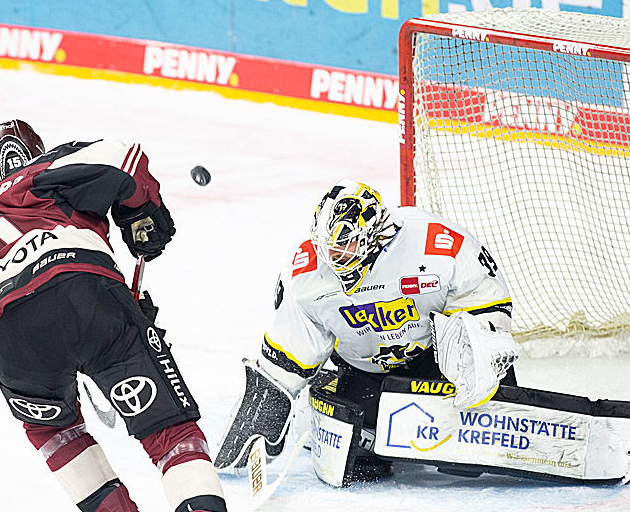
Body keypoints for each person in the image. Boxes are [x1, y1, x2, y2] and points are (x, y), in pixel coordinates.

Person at [0, 119, 271, 512]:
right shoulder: (43, 172)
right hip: (86, 298)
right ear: (34, 151)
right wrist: (142, 214)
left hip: (11, 340)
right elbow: (122, 156)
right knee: (170, 432)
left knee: (53, 430)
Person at [217, 179, 518, 483]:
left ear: (373, 235)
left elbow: (487, 303)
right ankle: (331, 389)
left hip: (436, 363)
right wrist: (265, 409)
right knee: (362, 463)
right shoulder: (305, 275)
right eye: (327, 247)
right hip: (367, 373)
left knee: (470, 458)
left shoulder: (438, 245)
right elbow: (288, 353)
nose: (332, 258)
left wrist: (474, 358)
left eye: (343, 246)